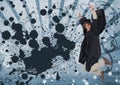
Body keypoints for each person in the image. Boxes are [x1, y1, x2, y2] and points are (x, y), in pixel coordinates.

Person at [78, 5, 112, 80]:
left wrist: (93, 11)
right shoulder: (86, 31)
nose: (86, 27)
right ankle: (100, 72)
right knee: (85, 67)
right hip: (88, 52)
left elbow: (95, 19)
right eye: (85, 26)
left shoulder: (94, 30)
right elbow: (83, 23)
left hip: (94, 51)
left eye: (87, 25)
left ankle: (103, 61)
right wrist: (80, 17)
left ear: (90, 24)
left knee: (88, 69)